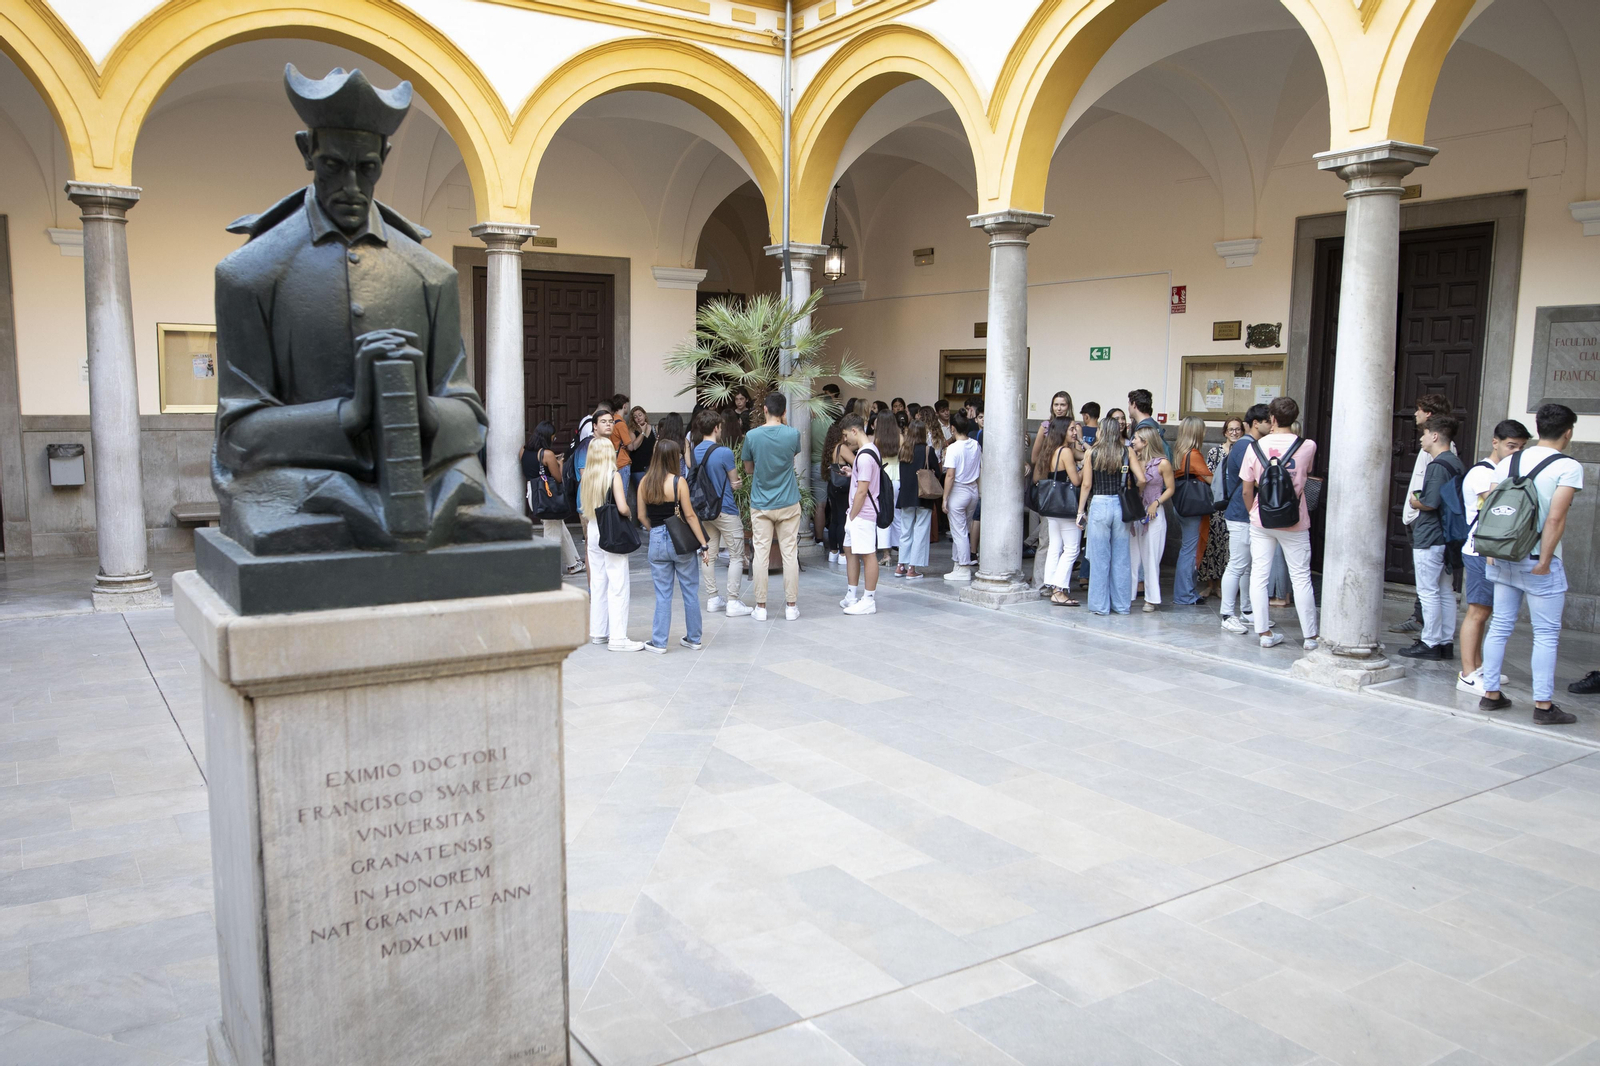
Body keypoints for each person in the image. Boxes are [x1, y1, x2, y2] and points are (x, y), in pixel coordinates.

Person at [1479, 403, 1583, 726]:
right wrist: (1546, 560)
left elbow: (1490, 508)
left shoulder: (1509, 460)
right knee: (1547, 634)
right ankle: (1543, 705)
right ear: (1568, 432)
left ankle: (1491, 694)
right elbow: (1556, 517)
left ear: (1537, 428)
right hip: (1538, 559)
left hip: (1503, 554)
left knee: (1499, 626)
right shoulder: (1568, 466)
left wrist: (1492, 551)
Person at [1238, 396, 1318, 650]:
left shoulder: (1255, 447)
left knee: (1259, 575)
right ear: (1294, 419)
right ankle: (1310, 637)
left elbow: (1246, 489)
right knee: (1301, 577)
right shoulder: (1308, 446)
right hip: (1295, 520)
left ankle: (1264, 633)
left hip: (1262, 519)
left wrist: (1254, 511)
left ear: (1271, 418)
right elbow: (1305, 476)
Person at [1456, 420, 1529, 693]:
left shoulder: (1502, 471)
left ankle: (1478, 668)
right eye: (1511, 446)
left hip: (1490, 552)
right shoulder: (1482, 473)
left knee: (1484, 612)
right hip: (1479, 552)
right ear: (1494, 442)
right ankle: (1467, 673)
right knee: (1477, 611)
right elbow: (1504, 507)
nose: (1515, 452)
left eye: (1521, 447)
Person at [1399, 414, 1467, 661]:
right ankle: (1445, 642)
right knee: (1445, 590)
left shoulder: (1437, 465)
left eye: (1424, 434)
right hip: (1447, 536)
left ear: (1435, 436)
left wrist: (1415, 501)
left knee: (1428, 591)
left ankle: (1429, 642)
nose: (1421, 439)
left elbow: (1430, 502)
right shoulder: (1456, 463)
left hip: (1431, 534)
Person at [636, 439, 709, 654]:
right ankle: (694, 638)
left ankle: (659, 642)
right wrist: (703, 544)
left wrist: (655, 531)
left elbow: (641, 515)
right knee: (690, 592)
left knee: (662, 594)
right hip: (681, 542)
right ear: (672, 457)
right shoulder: (679, 482)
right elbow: (689, 515)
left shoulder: (644, 482)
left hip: (657, 538)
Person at [1392, 392, 1457, 633]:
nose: (1415, 414)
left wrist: (1415, 505)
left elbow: (1433, 492)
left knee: (1430, 585)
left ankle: (1429, 633)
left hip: (1427, 523)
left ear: (1429, 415)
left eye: (1419, 409)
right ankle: (1435, 631)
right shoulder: (1433, 447)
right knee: (1436, 585)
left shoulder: (1440, 450)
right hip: (1422, 520)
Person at [742, 392, 803, 620]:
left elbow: (749, 469)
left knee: (761, 555)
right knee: (789, 553)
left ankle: (760, 607)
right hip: (788, 500)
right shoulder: (793, 434)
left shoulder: (752, 436)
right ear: (785, 412)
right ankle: (791, 606)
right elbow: (791, 459)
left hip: (761, 502)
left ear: (764, 409)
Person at [579, 435, 642, 651]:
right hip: (611, 529)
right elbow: (622, 507)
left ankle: (598, 631)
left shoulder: (587, 475)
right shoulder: (613, 476)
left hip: (594, 529)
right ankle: (618, 638)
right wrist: (630, 513)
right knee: (618, 584)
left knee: (598, 582)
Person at [692, 410, 749, 617]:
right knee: (736, 555)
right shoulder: (724, 452)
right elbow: (734, 484)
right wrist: (738, 483)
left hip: (705, 510)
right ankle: (732, 601)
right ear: (716, 427)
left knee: (709, 554)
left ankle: (713, 598)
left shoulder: (694, 451)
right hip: (725, 508)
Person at [1219, 405, 1270, 634]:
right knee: (1237, 565)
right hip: (1241, 513)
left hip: (1244, 512)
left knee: (1246, 566)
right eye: (1270, 421)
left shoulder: (1248, 445)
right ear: (1257, 422)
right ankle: (1227, 614)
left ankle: (1246, 610)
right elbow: (1254, 482)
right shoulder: (1246, 446)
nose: (1273, 425)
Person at [1076, 416, 1133, 615]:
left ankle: (1100, 606)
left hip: (1099, 504)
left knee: (1100, 559)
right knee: (1121, 558)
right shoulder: (1127, 452)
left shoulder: (1092, 453)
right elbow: (1141, 478)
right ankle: (1122, 605)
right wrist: (1132, 490)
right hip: (1120, 504)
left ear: (1102, 431)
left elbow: (1086, 484)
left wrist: (1080, 511)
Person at [521, 420, 583, 575]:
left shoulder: (523, 450)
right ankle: (551, 570)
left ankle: (573, 563)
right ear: (547, 437)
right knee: (552, 533)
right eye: (553, 438)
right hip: (548, 495)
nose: (553, 440)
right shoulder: (547, 454)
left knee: (559, 527)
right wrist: (560, 462)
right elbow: (558, 478)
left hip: (533, 493)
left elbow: (534, 467)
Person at [839, 415, 884, 614]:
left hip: (862, 513)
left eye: (846, 434)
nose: (845, 439)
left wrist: (852, 516)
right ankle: (852, 595)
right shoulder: (869, 451)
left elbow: (862, 491)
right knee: (850, 550)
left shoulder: (865, 455)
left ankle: (868, 600)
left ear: (854, 431)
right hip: (858, 512)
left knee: (867, 554)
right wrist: (852, 474)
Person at [1031, 391, 1075, 589]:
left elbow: (1077, 454)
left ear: (1068, 406)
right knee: (1047, 540)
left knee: (1061, 542)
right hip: (1049, 484)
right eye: (1056, 404)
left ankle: (1055, 582)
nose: (1059, 408)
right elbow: (1034, 457)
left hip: (1066, 486)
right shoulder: (1045, 427)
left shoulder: (1074, 427)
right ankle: (1041, 583)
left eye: (1063, 404)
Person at [1128, 425, 1174, 612]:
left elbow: (1170, 488)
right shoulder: (1132, 460)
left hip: (1154, 512)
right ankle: (1128, 594)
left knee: (1151, 556)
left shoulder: (1162, 463)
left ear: (1145, 441)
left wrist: (1157, 502)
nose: (1132, 441)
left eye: (1136, 439)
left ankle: (1151, 598)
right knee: (1132, 556)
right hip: (1135, 511)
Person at [1039, 422, 1084, 607]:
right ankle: (1058, 590)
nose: (1075, 432)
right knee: (1072, 548)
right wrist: (1083, 468)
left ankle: (1051, 584)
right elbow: (1076, 480)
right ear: (1062, 431)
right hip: (1066, 506)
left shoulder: (1051, 449)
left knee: (1055, 546)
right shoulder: (1065, 452)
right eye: (1072, 429)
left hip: (1052, 506)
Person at [1196, 418, 1240, 599]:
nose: (1234, 433)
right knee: (1212, 544)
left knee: (1227, 547)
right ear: (1225, 432)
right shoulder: (1215, 451)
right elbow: (1209, 476)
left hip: (1235, 504)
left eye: (1238, 429)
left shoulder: (1244, 451)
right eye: (1231, 429)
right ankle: (1209, 584)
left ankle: (1222, 585)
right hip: (1217, 504)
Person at [1171, 417, 1211, 606]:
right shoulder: (1193, 454)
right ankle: (1185, 594)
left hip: (1181, 505)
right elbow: (1211, 480)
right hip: (1193, 508)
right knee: (1189, 550)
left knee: (1186, 548)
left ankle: (1186, 592)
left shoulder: (1179, 452)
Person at [941, 409, 981, 580]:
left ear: (952, 429)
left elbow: (950, 475)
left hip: (958, 490)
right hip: (973, 490)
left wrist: (944, 497)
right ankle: (958, 564)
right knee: (964, 528)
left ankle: (963, 567)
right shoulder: (975, 444)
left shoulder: (953, 448)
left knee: (959, 531)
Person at [895, 418, 935, 579]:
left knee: (905, 531)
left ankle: (900, 565)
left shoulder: (903, 451)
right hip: (923, 495)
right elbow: (936, 473)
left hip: (905, 496)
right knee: (920, 531)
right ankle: (912, 568)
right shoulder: (927, 450)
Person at [872, 414, 902, 568]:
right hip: (898, 478)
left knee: (884, 516)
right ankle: (901, 553)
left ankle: (886, 555)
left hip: (883, 478)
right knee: (898, 516)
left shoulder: (877, 441)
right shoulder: (901, 438)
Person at [823, 415, 853, 564]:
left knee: (834, 519)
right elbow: (855, 462)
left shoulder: (830, 448)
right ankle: (842, 553)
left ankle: (833, 551)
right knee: (842, 519)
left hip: (832, 485)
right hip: (843, 486)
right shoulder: (842, 448)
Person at [1127, 389, 1171, 461]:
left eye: (1129, 404)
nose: (1128, 408)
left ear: (1134, 404)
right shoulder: (1154, 425)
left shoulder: (1144, 429)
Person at [627, 406, 655, 493]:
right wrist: (642, 432)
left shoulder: (653, 428)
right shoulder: (632, 430)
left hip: (651, 467)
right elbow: (634, 446)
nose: (638, 418)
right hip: (638, 468)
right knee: (641, 494)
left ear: (644, 415)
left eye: (640, 415)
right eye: (635, 417)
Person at [608, 392, 636, 475]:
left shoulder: (610, 421)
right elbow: (630, 447)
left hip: (611, 461)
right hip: (622, 461)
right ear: (624, 406)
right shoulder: (621, 424)